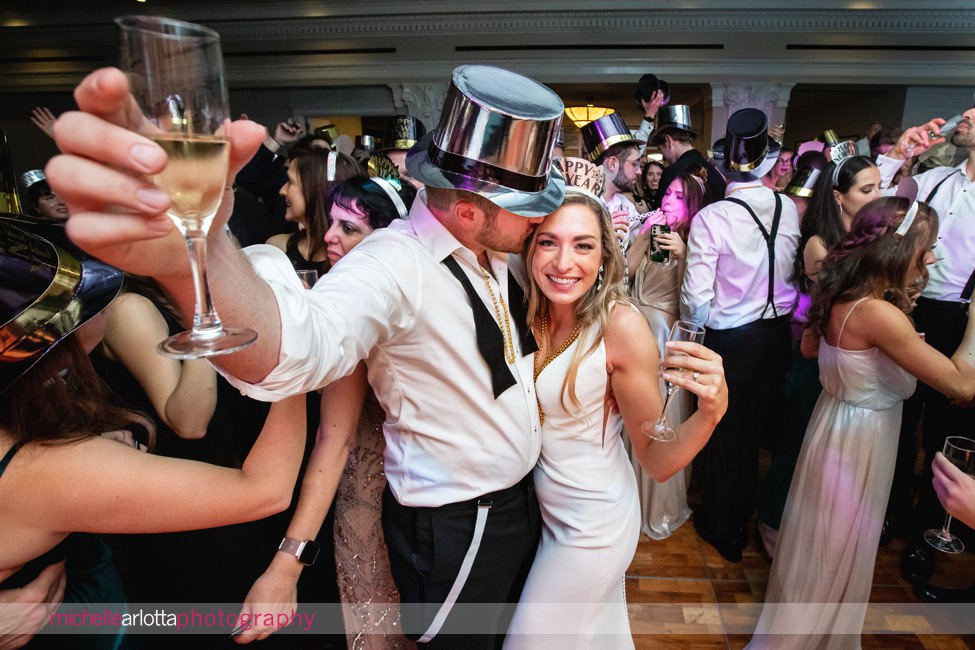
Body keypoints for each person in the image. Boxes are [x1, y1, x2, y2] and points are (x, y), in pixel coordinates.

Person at [45, 64, 562, 649]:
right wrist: (203, 255)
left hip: (519, 503)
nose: (540, 216)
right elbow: (297, 347)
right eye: (527, 205)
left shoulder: (493, 249)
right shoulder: (393, 266)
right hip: (462, 521)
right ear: (471, 210)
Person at [0, 220, 306, 647]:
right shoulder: (45, 465)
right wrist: (296, 353)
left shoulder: (37, 434)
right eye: (78, 303)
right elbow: (265, 489)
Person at [503, 164, 727, 648]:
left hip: (593, 524)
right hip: (543, 513)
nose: (564, 262)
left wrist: (711, 413)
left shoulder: (620, 326)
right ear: (528, 247)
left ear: (605, 255)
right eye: (548, 241)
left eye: (583, 245)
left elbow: (657, 458)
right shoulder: (525, 308)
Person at [747, 196, 975, 649]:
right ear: (895, 249)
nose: (931, 257)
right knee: (836, 544)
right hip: (861, 438)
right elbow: (962, 385)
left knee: (822, 540)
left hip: (833, 423)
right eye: (925, 247)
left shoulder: (845, 295)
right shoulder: (878, 314)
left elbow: (812, 351)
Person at [241, 174, 416, 649]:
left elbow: (333, 441)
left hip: (383, 507)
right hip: (381, 502)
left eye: (349, 228)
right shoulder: (345, 301)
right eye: (332, 223)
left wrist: (285, 566)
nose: (330, 237)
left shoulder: (360, 316)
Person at [682, 108, 800, 563]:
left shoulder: (713, 217)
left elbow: (695, 297)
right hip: (777, 339)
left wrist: (701, 334)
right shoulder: (789, 207)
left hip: (730, 340)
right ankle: (747, 516)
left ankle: (725, 529)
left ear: (722, 168)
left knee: (725, 436)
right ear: (768, 163)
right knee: (756, 432)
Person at [874, 109, 975, 592]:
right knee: (899, 417)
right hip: (906, 305)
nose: (968, 113)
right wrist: (898, 155)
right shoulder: (935, 178)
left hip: (962, 316)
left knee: (945, 434)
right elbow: (879, 204)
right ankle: (888, 515)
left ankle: (928, 533)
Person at [626, 163, 717, 540]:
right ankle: (628, 501)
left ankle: (658, 505)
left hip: (665, 333)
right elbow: (624, 273)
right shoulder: (649, 230)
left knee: (662, 413)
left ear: (694, 204)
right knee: (631, 411)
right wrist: (642, 240)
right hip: (633, 327)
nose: (669, 200)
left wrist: (684, 254)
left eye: (679, 197)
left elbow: (695, 305)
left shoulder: (697, 240)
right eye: (666, 194)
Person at [267, 149, 363, 277]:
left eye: (291, 182)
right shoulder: (277, 249)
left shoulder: (357, 261)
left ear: (315, 190)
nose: (282, 190)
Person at [648, 105, 726, 210]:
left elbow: (660, 215)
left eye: (661, 149)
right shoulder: (715, 173)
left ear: (668, 141)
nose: (664, 156)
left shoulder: (672, 173)